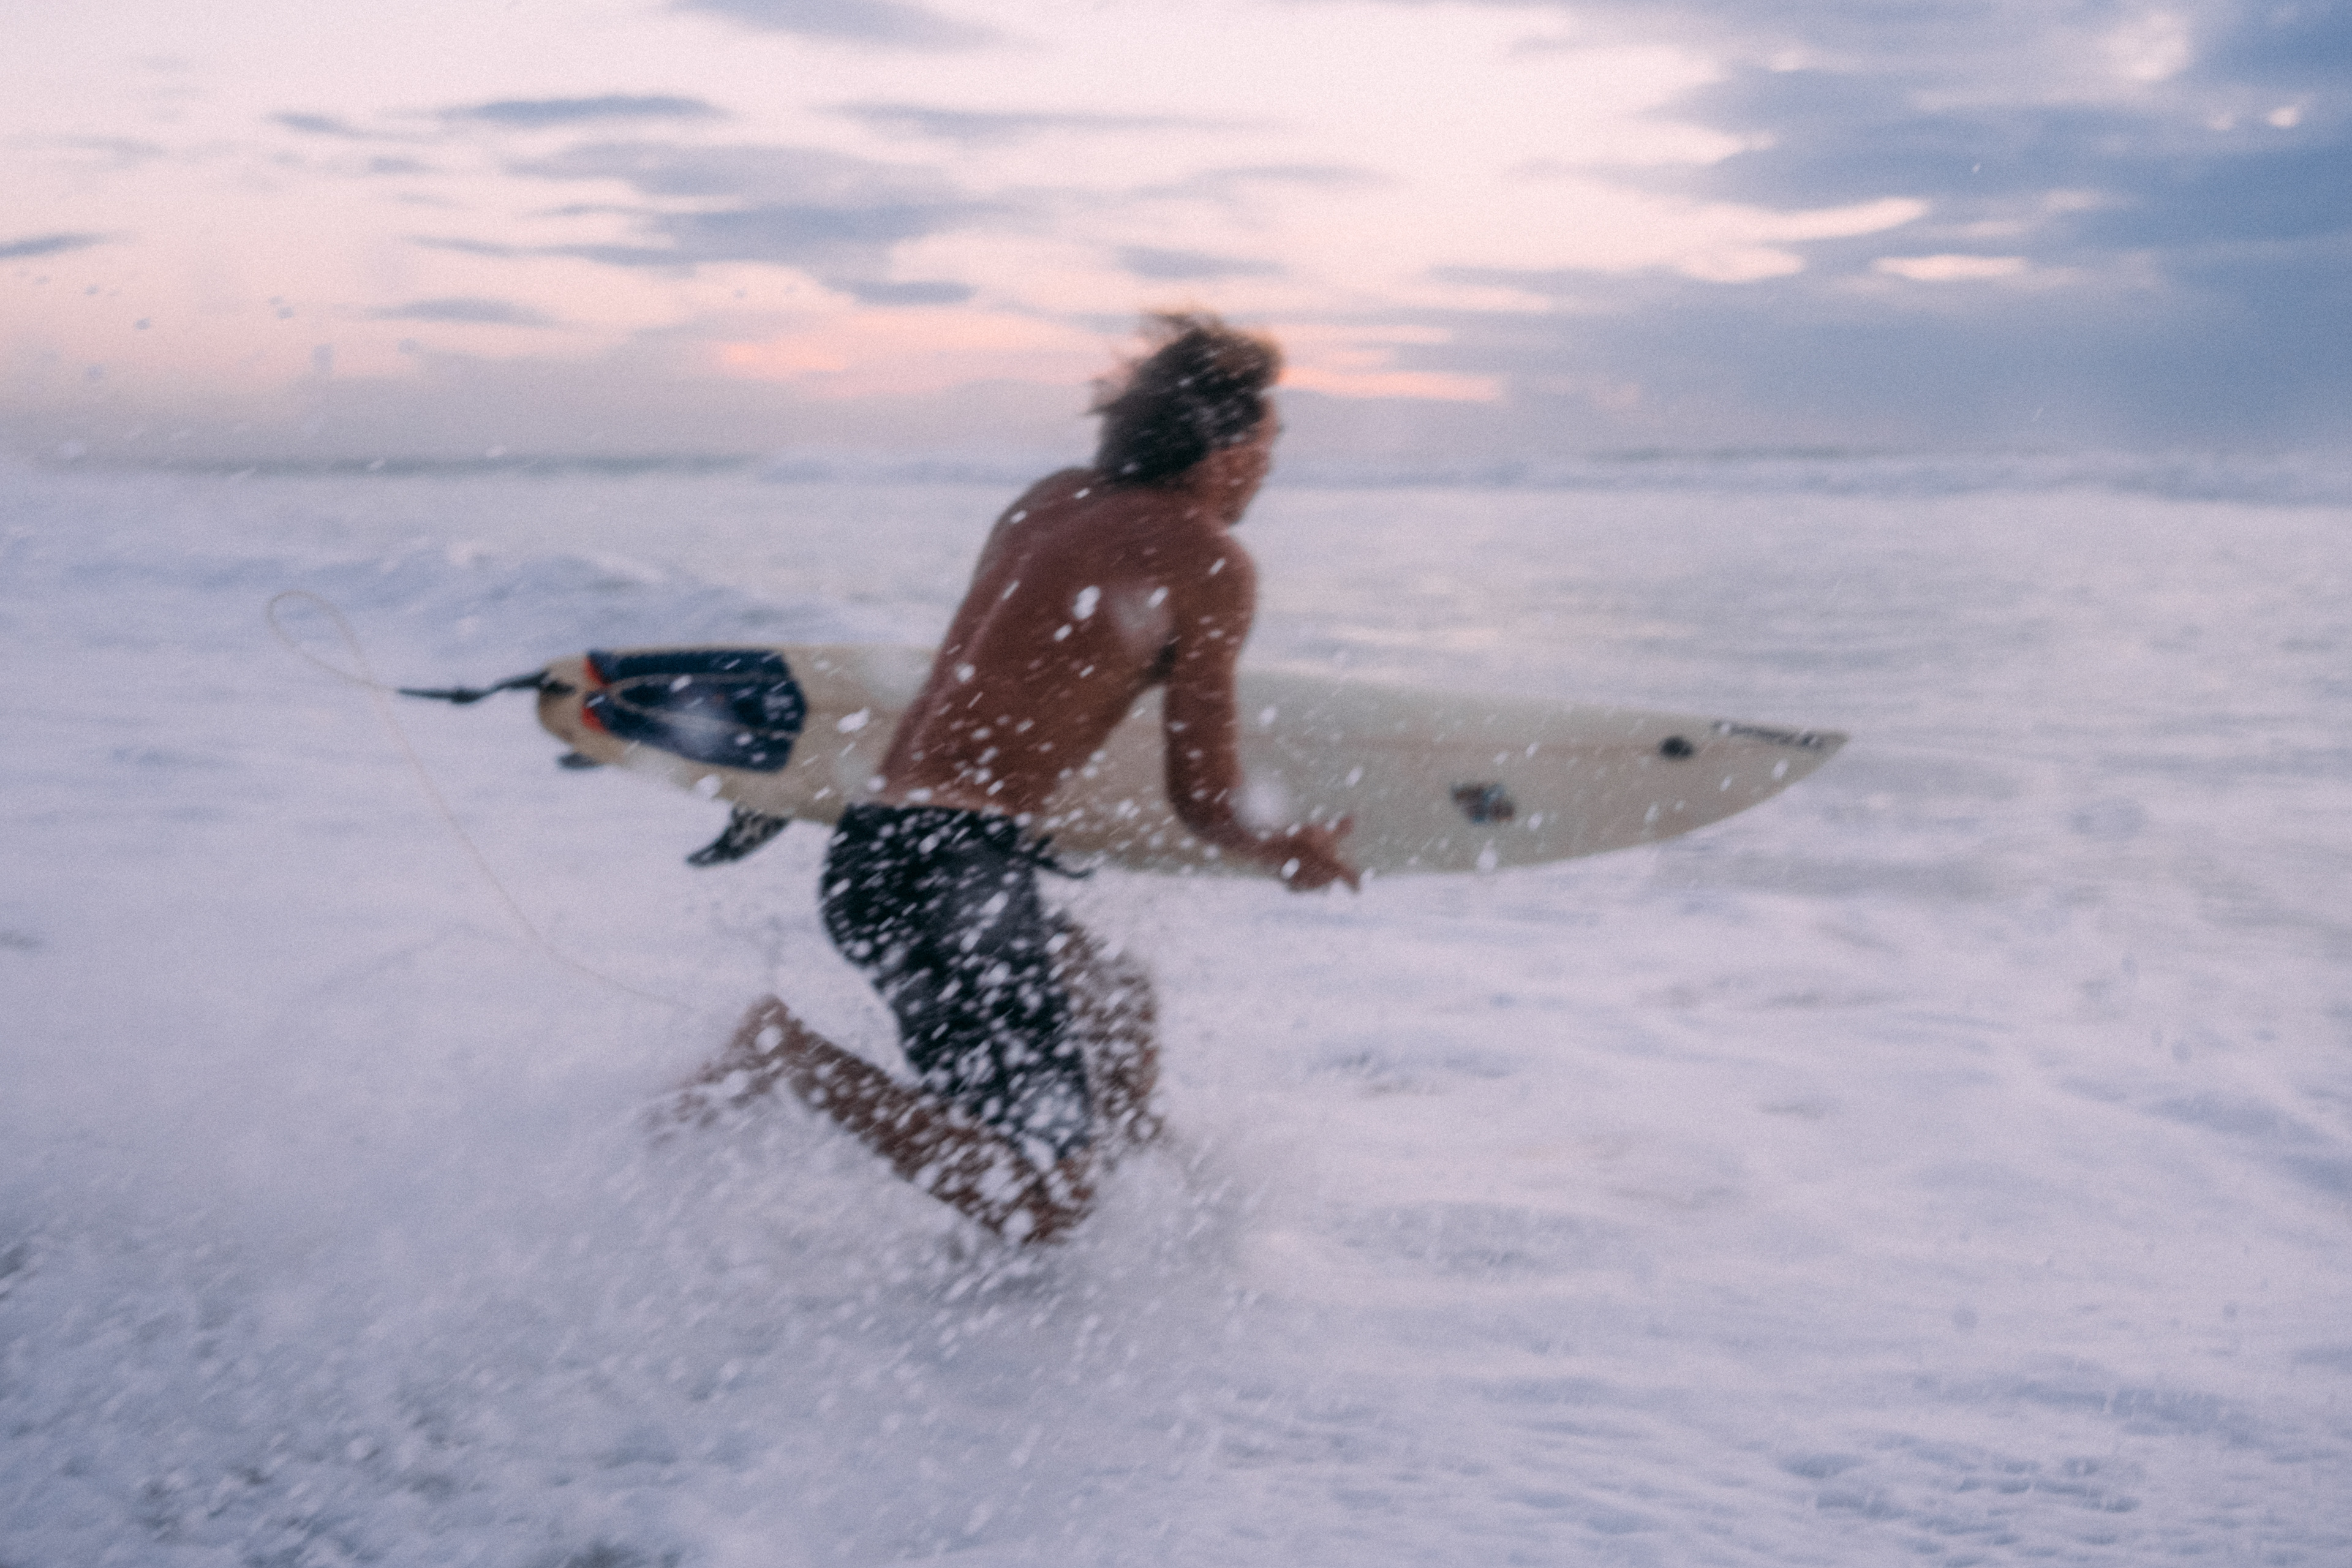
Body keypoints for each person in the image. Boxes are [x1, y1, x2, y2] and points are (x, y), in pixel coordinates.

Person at [676, 312, 1358, 1243]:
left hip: (883, 849)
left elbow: (1012, 676)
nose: (1271, 466)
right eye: (1269, 443)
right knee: (1041, 1203)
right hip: (950, 872)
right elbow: (1202, 798)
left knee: (1115, 1002)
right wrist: (1282, 849)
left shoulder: (1049, 503)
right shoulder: (1206, 560)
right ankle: (789, 1056)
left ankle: (1092, 1184)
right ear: (1222, 448)